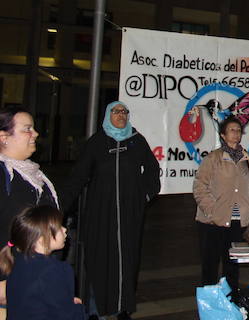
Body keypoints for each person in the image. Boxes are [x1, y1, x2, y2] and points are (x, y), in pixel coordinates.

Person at [60, 101, 161, 320]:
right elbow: (78, 177)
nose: (121, 115)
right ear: (107, 115)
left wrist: (143, 195)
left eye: (124, 111)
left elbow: (153, 170)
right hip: (100, 213)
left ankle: (123, 307)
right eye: (116, 111)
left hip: (129, 214)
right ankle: (96, 309)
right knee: (99, 260)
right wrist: (60, 207)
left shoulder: (136, 140)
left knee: (127, 261)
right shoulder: (96, 142)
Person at [192, 117, 249, 290]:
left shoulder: (248, 159)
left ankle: (231, 304)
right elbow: (199, 186)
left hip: (238, 222)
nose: (236, 133)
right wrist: (212, 210)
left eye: (238, 130)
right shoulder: (213, 158)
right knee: (210, 266)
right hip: (212, 222)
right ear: (223, 135)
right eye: (232, 130)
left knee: (232, 266)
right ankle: (210, 307)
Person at [0, 106, 59, 311]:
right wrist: (1, 279)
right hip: (13, 277)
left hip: (36, 275)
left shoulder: (32, 174)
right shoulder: (4, 175)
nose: (35, 134)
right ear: (4, 137)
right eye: (27, 129)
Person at [0, 205, 84, 319]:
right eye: (59, 227)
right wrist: (77, 307)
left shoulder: (16, 263)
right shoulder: (56, 270)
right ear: (41, 239)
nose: (65, 230)